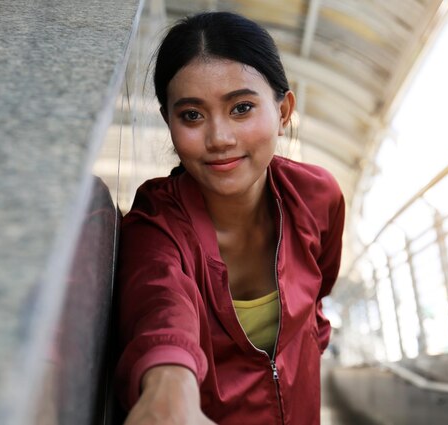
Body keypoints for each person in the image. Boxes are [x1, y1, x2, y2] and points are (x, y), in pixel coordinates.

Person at [114, 11, 345, 424]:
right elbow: (160, 304)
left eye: (241, 108)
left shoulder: (317, 197)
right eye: (192, 115)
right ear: (169, 122)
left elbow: (316, 296)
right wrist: (170, 385)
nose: (219, 138)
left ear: (284, 110)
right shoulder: (157, 223)